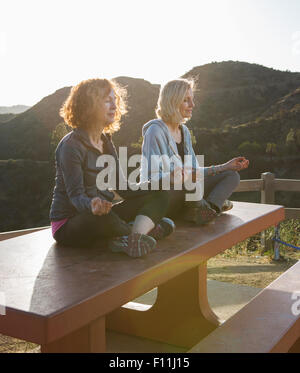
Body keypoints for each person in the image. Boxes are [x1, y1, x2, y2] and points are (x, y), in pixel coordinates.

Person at [49, 78, 174, 258]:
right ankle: (136, 233)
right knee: (102, 219)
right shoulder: (71, 146)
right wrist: (92, 205)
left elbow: (122, 187)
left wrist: (160, 182)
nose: (114, 106)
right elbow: (76, 196)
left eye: (115, 100)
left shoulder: (105, 141)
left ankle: (127, 237)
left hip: (104, 211)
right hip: (70, 223)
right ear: (88, 105)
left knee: (160, 193)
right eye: (107, 100)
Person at [140, 78, 249, 224]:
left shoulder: (184, 131)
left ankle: (206, 211)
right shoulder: (155, 131)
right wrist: (176, 177)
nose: (192, 105)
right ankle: (201, 207)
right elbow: (151, 179)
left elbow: (195, 171)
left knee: (231, 176)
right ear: (172, 101)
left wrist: (225, 167)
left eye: (192, 99)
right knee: (188, 183)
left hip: (189, 191)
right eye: (186, 100)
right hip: (164, 196)